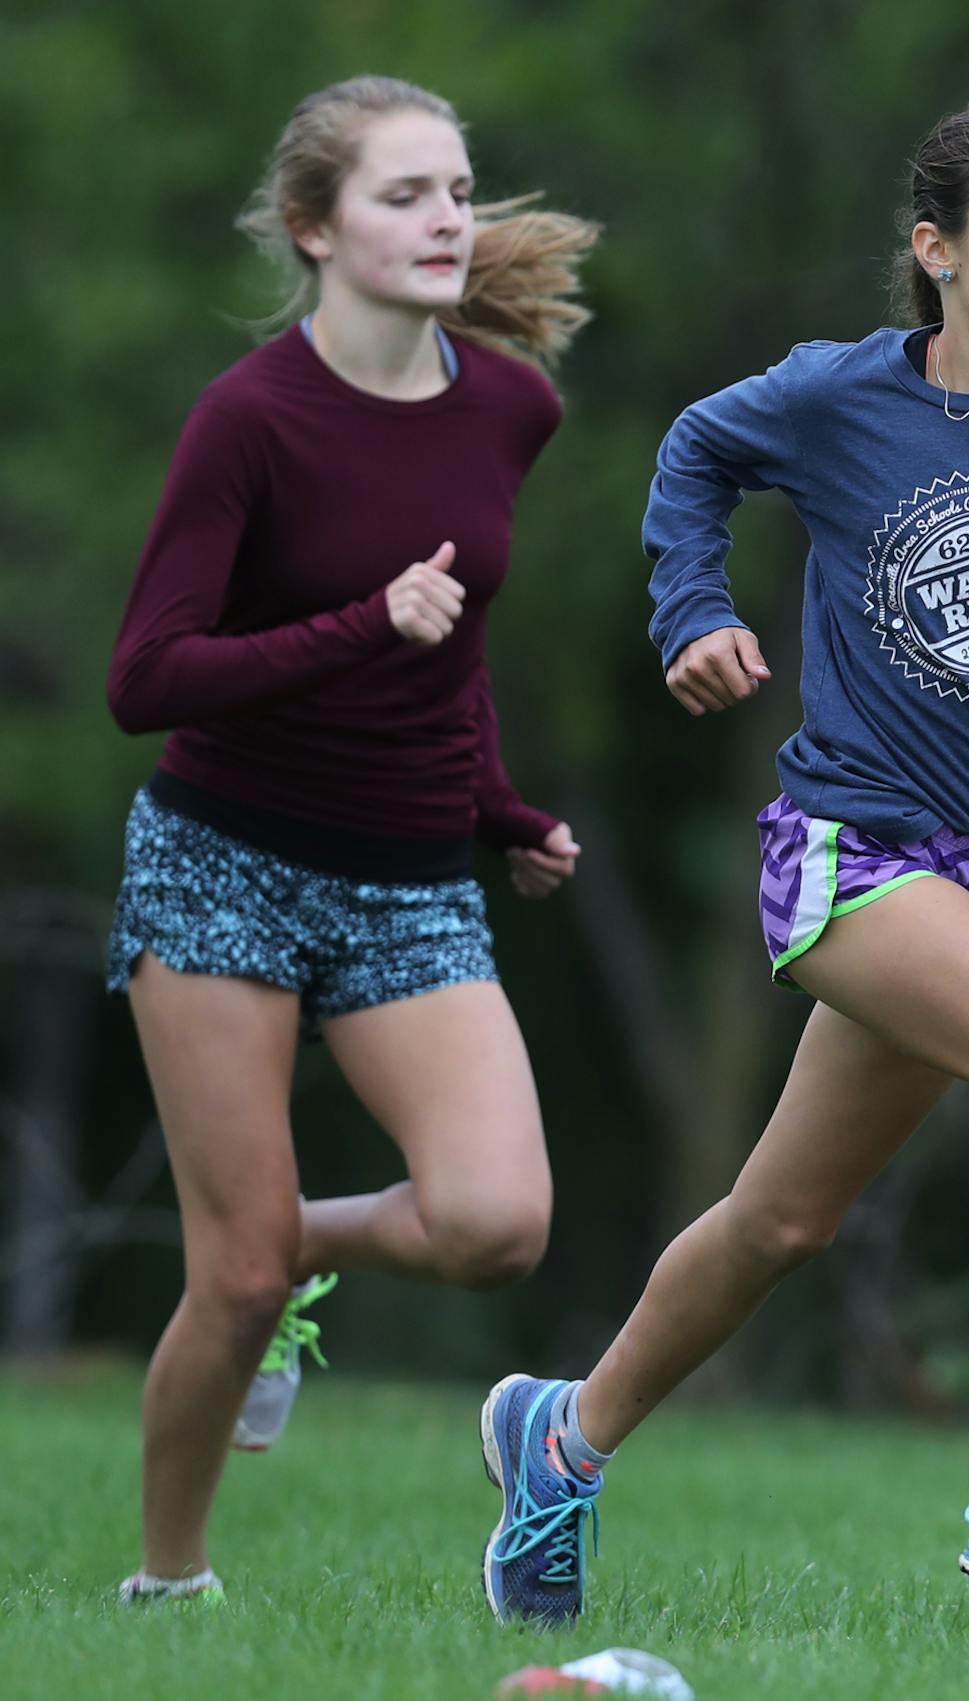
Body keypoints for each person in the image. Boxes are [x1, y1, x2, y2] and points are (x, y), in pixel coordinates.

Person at [477, 93, 969, 1627]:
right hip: (850, 854)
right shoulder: (835, 397)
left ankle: (562, 1438)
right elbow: (694, 453)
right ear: (937, 250)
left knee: (783, 1220)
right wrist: (690, 611)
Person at [104, 75, 596, 1605]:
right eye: (405, 194)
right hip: (221, 863)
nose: (449, 216)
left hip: (408, 875)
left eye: (457, 187)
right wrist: (355, 622)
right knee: (231, 1277)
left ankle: (289, 1245)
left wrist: (500, 812)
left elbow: (454, 653)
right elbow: (147, 678)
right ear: (315, 229)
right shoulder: (249, 419)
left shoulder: (512, 402)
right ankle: (169, 1585)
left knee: (497, 1221)